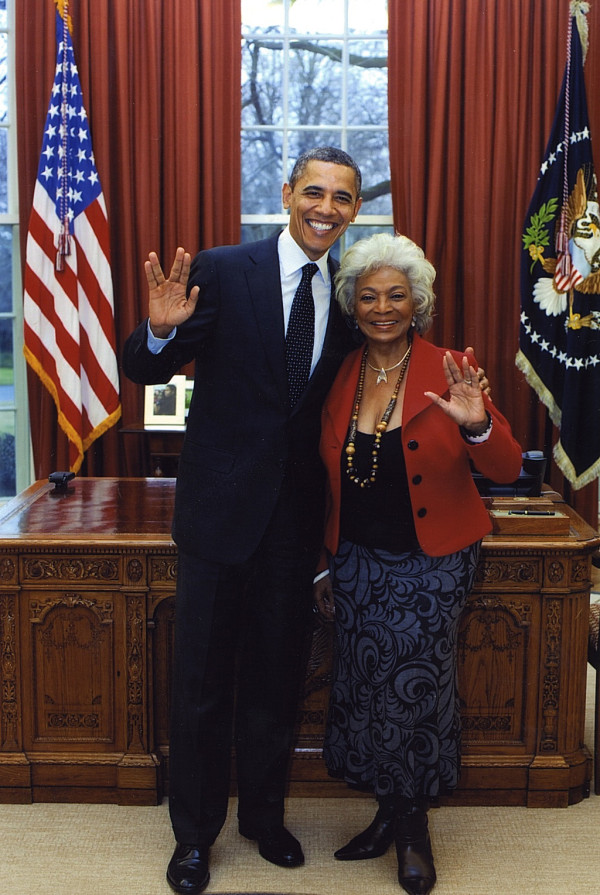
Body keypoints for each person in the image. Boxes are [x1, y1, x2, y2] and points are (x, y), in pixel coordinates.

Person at [122, 146, 363, 895]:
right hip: (218, 523)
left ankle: (263, 818)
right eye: (314, 192)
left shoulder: (352, 297)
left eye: (343, 199)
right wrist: (160, 333)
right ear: (287, 194)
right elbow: (147, 366)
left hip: (294, 532)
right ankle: (194, 839)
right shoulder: (226, 270)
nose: (326, 208)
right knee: (198, 686)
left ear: (355, 212)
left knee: (274, 684)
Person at [313, 232, 522, 895]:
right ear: (353, 304)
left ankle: (412, 829)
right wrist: (324, 561)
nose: (382, 307)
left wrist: (475, 423)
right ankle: (384, 812)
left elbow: (508, 467)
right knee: (366, 685)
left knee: (414, 685)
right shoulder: (341, 370)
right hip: (355, 561)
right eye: (369, 295)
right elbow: (324, 477)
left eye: (395, 295)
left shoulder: (451, 366)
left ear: (417, 302)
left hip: (433, 563)